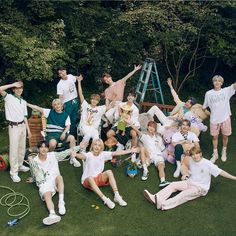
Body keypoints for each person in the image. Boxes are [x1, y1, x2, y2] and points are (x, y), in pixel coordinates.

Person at [143, 146, 236, 211]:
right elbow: (184, 164)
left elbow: (221, 172)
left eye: (197, 154)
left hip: (200, 188)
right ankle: (156, 198)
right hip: (190, 181)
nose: (195, 156)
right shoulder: (191, 160)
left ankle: (163, 205)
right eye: (193, 155)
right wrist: (186, 174)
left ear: (201, 154)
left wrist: (234, 178)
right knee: (173, 185)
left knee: (183, 195)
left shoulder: (208, 164)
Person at [27, 141, 83, 225]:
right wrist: (34, 179)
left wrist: (79, 146)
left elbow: (67, 152)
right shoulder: (34, 161)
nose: (43, 149)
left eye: (45, 147)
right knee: (47, 196)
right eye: (41, 147)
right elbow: (33, 172)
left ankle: (61, 202)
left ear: (48, 148)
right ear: (38, 149)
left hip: (55, 179)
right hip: (44, 182)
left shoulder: (53, 155)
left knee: (60, 177)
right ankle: (52, 214)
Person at [72, 139, 138, 209]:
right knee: (90, 178)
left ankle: (117, 196)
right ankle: (105, 200)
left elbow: (116, 153)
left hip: (98, 178)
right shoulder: (89, 155)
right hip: (88, 181)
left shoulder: (103, 154)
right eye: (95, 144)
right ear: (92, 146)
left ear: (101, 148)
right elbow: (82, 156)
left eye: (99, 145)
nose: (97, 147)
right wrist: (76, 154)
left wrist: (130, 150)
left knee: (109, 171)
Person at [27, 99, 80, 167]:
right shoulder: (49, 112)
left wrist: (64, 133)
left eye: (58, 104)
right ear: (53, 106)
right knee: (52, 144)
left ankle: (73, 157)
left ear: (61, 105)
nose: (57, 106)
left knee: (72, 138)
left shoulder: (66, 115)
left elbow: (68, 126)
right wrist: (27, 104)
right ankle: (48, 157)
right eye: (55, 105)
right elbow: (38, 108)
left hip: (61, 134)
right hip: (51, 135)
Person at [0, 81, 31, 183]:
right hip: (13, 126)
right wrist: (13, 84)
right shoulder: (9, 97)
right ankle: (14, 172)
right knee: (14, 150)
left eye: (21, 88)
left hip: (22, 126)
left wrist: (28, 130)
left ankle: (20, 165)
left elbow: (25, 117)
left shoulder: (24, 101)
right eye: (17, 88)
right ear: (13, 89)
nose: (19, 90)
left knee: (22, 148)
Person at [203, 75, 236, 163]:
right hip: (214, 121)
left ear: (222, 83)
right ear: (213, 82)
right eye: (215, 81)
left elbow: (234, 85)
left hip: (225, 119)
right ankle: (215, 154)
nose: (217, 82)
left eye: (219, 81)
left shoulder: (226, 91)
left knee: (225, 137)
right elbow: (204, 107)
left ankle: (224, 151)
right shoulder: (208, 93)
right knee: (215, 137)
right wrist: (210, 114)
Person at [129, 120, 170, 187]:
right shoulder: (144, 136)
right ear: (147, 127)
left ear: (155, 129)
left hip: (158, 155)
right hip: (148, 155)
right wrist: (130, 123)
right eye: (150, 126)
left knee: (161, 167)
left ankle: (163, 181)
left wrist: (170, 154)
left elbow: (163, 149)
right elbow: (136, 130)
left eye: (153, 127)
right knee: (142, 149)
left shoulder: (158, 138)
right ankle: (145, 170)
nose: (151, 128)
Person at [106, 90, 140, 160]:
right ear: (127, 96)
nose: (130, 97)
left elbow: (133, 121)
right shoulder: (121, 105)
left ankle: (133, 153)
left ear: (134, 98)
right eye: (129, 95)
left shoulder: (135, 109)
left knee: (134, 134)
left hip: (128, 125)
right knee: (109, 134)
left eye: (132, 96)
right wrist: (119, 113)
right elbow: (116, 117)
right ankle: (119, 144)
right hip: (119, 124)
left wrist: (127, 118)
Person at [77, 75, 108, 143]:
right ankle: (83, 150)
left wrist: (107, 97)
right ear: (90, 100)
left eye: (96, 100)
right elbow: (80, 94)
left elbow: (108, 106)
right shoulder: (86, 105)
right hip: (84, 126)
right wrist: (79, 82)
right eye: (93, 99)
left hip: (94, 128)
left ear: (98, 102)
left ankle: (94, 151)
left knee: (96, 136)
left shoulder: (100, 109)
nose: (94, 101)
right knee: (87, 135)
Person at [57, 67, 80, 137]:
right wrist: (60, 106)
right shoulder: (60, 84)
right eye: (60, 73)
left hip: (75, 100)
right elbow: (60, 97)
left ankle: (72, 136)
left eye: (63, 71)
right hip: (67, 103)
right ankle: (66, 136)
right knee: (67, 120)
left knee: (74, 119)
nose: (62, 73)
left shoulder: (70, 76)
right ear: (59, 75)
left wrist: (79, 77)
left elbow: (76, 78)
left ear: (65, 71)